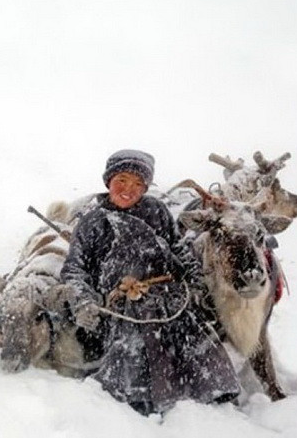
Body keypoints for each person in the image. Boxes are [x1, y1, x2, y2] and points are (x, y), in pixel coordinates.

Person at [58, 149, 240, 416]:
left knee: (189, 330)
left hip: (168, 295)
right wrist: (84, 301)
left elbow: (180, 251)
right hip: (120, 304)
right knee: (135, 340)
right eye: (122, 180)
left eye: (138, 184)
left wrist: (196, 282)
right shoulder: (92, 222)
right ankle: (141, 400)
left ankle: (209, 393)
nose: (128, 190)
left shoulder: (156, 211)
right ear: (108, 180)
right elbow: (74, 269)